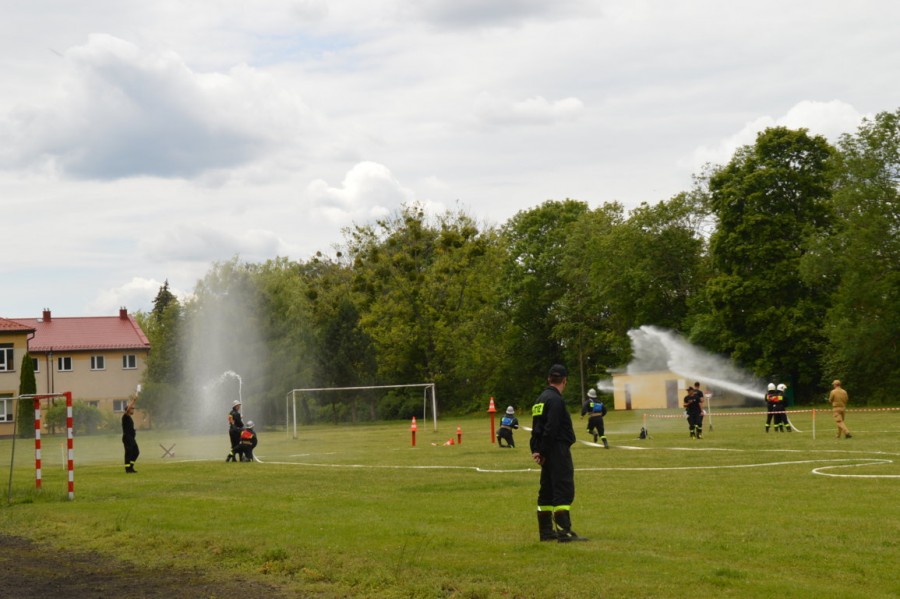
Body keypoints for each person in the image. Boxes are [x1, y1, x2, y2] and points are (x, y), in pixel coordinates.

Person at [530, 364, 587, 543]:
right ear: (565, 380)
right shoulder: (556, 400)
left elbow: (536, 429)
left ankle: (546, 532)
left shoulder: (540, 399)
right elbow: (551, 428)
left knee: (547, 490)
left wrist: (537, 450)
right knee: (563, 487)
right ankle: (564, 532)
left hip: (545, 450)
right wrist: (544, 451)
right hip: (556, 449)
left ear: (549, 379)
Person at [121, 397, 140, 473]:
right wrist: (134, 401)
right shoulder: (125, 416)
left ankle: (131, 467)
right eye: (132, 409)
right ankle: (127, 469)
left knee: (136, 452)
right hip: (127, 438)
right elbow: (128, 408)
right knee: (129, 453)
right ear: (128, 410)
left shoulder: (129, 418)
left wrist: (134, 430)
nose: (133, 410)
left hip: (131, 438)